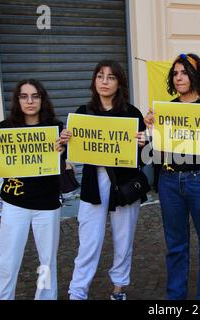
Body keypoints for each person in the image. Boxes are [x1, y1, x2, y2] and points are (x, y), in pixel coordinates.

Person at [144, 53, 200, 300]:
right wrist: (150, 129)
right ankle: (175, 298)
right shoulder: (165, 109)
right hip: (169, 180)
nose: (179, 77)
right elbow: (153, 152)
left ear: (196, 75)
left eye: (184, 72)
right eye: (175, 73)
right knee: (175, 246)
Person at [60, 60, 147, 301]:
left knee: (123, 238)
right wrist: (66, 142)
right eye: (100, 76)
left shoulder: (132, 113)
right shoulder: (83, 112)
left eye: (111, 77)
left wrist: (143, 144)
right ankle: (78, 291)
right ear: (94, 81)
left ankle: (119, 287)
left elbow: (144, 157)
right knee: (88, 240)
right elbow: (72, 155)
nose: (105, 82)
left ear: (120, 83)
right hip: (92, 183)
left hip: (124, 183)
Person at [0, 79, 63, 300]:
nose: (30, 101)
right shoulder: (5, 128)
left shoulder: (55, 127)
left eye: (35, 96)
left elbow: (63, 164)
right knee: (7, 259)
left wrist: (62, 150)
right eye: (24, 96)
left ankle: (45, 297)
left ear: (42, 99)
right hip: (14, 203)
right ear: (17, 100)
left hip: (47, 205)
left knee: (47, 262)